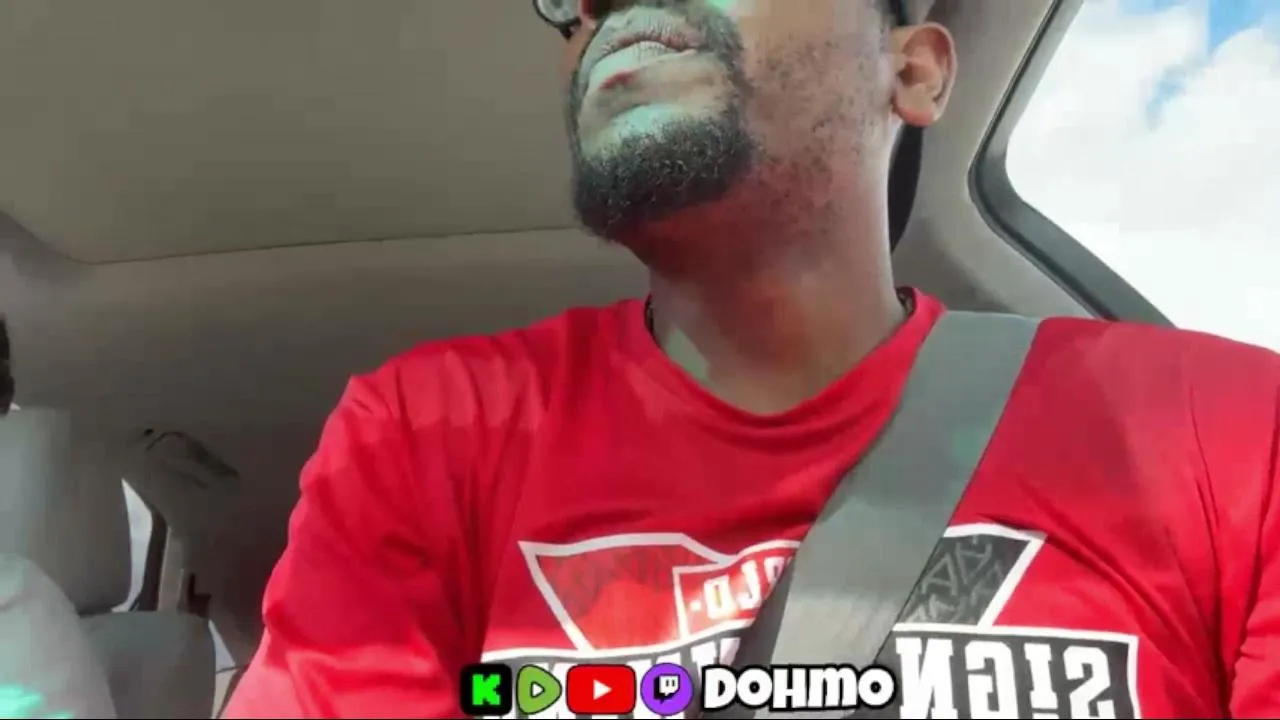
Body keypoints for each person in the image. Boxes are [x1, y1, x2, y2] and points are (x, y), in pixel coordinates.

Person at [225, 0, 1280, 717]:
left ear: (912, 71)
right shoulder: (427, 431)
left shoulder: (1226, 432)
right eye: (570, 6)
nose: (597, 10)